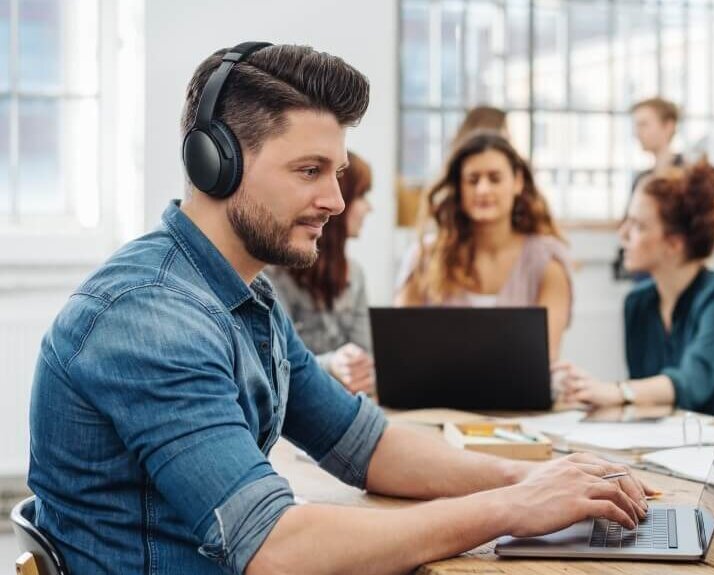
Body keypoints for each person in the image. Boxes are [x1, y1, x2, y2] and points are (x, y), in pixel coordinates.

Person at [28, 43, 653, 575]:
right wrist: (515, 509)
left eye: (338, 172)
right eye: (309, 171)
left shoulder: (246, 300)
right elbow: (275, 548)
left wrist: (529, 479)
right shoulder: (150, 319)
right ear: (215, 164)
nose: (334, 199)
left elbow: (365, 444)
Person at [558, 159, 714, 431]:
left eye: (638, 226)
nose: (623, 234)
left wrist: (617, 391)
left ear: (674, 243)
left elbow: (694, 383)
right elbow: (648, 400)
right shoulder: (638, 303)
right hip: (685, 446)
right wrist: (585, 390)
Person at [395, 131, 573, 359]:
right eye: (472, 180)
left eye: (495, 178)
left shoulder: (547, 262)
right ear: (459, 187)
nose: (483, 190)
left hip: (519, 394)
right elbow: (400, 346)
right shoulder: (424, 257)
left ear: (517, 182)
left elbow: (546, 355)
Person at [266, 151, 375, 395]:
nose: (369, 208)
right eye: (361, 196)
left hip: (341, 405)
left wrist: (359, 371)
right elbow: (275, 367)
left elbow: (367, 362)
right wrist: (332, 365)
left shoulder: (354, 275)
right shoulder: (272, 275)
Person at [615, 97, 685, 279]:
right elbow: (628, 224)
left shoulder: (689, 177)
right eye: (636, 126)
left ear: (668, 126)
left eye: (644, 124)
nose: (637, 133)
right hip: (644, 270)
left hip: (676, 269)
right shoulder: (641, 179)